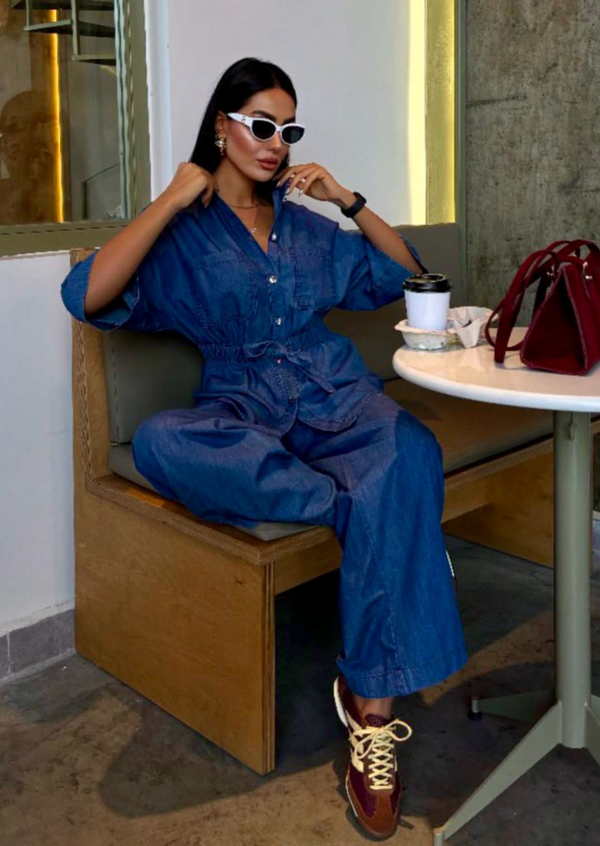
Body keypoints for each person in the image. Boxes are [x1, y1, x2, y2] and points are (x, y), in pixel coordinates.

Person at [61, 57, 467, 840]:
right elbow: (86, 296)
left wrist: (347, 200)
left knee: (409, 449)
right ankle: (356, 507)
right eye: (261, 125)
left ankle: (371, 712)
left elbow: (408, 275)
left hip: (336, 397)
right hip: (243, 411)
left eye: (288, 130)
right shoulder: (182, 236)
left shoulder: (310, 229)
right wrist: (170, 196)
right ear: (223, 126)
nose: (276, 142)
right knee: (164, 440)